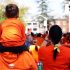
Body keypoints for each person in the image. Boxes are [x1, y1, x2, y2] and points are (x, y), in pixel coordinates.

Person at [0, 4, 37, 70]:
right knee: (27, 54)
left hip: (4, 48)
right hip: (18, 47)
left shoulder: (2, 24)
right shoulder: (20, 24)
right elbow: (23, 38)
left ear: (5, 14)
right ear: (18, 13)